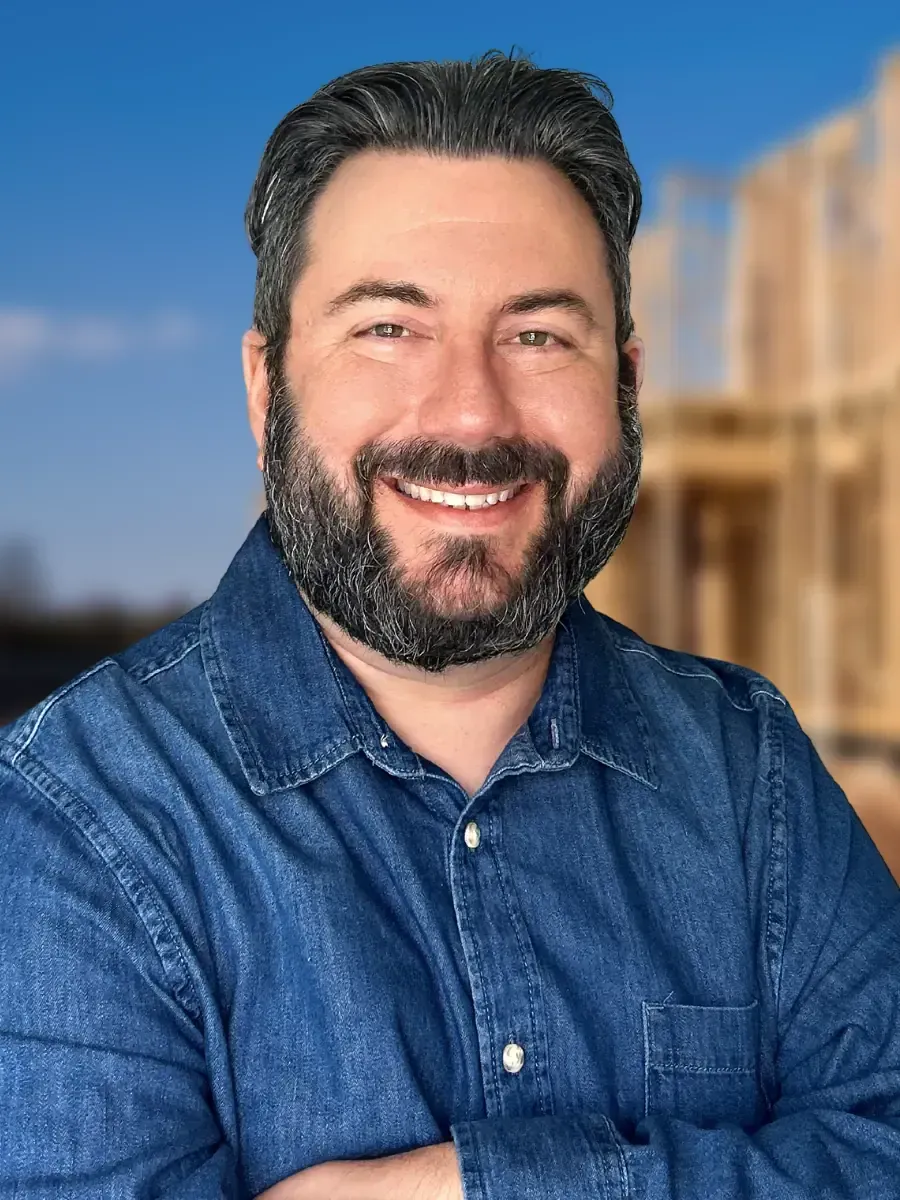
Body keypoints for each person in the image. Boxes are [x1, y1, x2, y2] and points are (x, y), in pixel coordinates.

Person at [2, 51, 900, 1200]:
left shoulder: (747, 767)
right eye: (389, 328)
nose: (472, 414)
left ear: (625, 384)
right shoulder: (68, 825)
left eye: (538, 336)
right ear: (266, 391)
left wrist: (470, 1186)